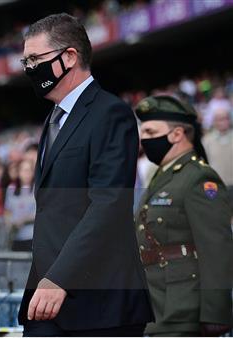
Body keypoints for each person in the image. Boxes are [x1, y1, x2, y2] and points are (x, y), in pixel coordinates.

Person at [18, 13, 153, 336]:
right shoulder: (53, 120)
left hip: (97, 303)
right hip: (48, 297)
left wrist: (60, 277)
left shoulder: (110, 114)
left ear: (69, 57)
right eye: (25, 61)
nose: (28, 68)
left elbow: (108, 206)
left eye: (36, 58)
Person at [134, 95, 233, 336]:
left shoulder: (198, 178)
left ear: (177, 134)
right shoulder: (163, 175)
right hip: (156, 305)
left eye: (149, 131)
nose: (143, 138)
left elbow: (216, 248)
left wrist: (215, 313)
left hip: (182, 309)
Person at [4, 159, 35, 251]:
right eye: (24, 170)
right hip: (15, 235)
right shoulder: (11, 189)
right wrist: (9, 223)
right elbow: (7, 210)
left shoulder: (36, 189)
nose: (26, 173)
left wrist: (24, 219)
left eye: (29, 170)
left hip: (31, 235)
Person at [203, 108, 233, 188]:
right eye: (219, 119)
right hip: (215, 184)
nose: (222, 122)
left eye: (225, 119)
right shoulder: (207, 140)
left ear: (229, 120)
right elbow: (203, 163)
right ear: (214, 121)